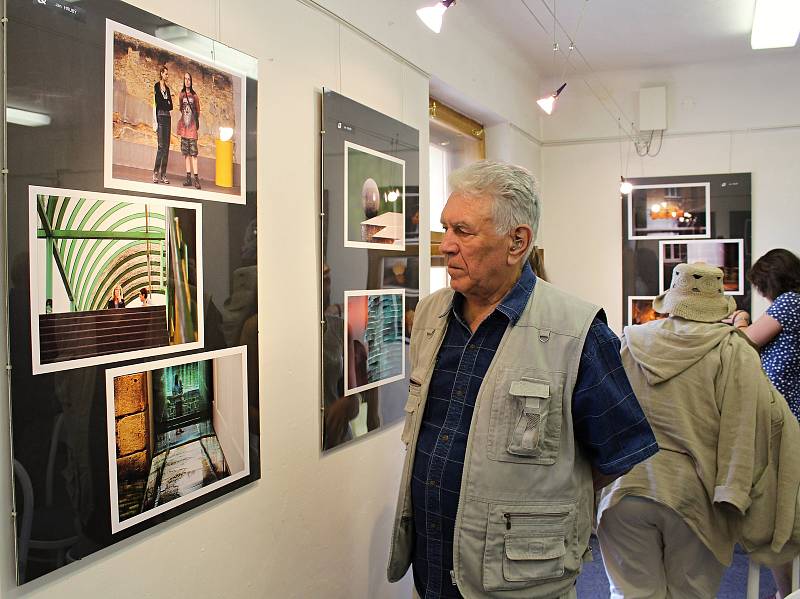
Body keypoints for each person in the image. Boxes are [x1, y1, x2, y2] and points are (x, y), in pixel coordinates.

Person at [387, 160, 658, 599]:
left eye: (464, 231)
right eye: (445, 229)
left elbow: (620, 450)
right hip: (432, 568)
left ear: (517, 242)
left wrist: (548, 500)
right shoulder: (432, 316)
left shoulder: (577, 330)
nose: (446, 246)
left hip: (521, 579)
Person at [596, 262, 800, 599]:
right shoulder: (733, 350)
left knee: (628, 594)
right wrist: (734, 493)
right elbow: (742, 426)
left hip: (624, 489)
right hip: (694, 498)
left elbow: (605, 413)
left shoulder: (630, 341)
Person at [725, 248, 800, 599]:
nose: (762, 295)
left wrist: (739, 319)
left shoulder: (789, 303)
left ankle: (786, 591)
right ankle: (786, 590)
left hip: (787, 420)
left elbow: (748, 342)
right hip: (788, 415)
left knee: (779, 509)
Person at [176, 72, 201, 190]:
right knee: (186, 154)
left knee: (194, 154)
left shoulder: (194, 96)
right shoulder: (181, 95)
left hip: (192, 129)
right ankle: (188, 178)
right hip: (184, 128)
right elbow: (180, 107)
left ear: (191, 81)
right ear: (183, 80)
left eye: (189, 79)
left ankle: (196, 179)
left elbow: (198, 110)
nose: (187, 81)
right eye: (185, 79)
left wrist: (193, 122)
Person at [152, 64, 173, 184]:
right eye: (166, 73)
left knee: (166, 147)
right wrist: (166, 102)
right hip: (160, 116)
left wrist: (166, 102)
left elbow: (171, 106)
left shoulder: (168, 89)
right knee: (161, 147)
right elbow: (159, 103)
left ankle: (163, 174)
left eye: (168, 74)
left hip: (168, 118)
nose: (167, 75)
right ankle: (155, 172)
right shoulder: (156, 86)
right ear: (161, 73)